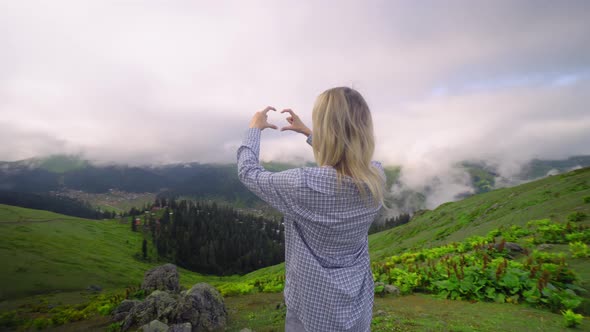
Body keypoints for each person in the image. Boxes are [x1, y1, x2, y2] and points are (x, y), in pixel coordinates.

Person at [237, 87, 385, 331]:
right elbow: (350, 158)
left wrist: (254, 128)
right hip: (356, 306)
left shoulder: (302, 184)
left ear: (326, 130)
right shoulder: (375, 178)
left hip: (311, 309)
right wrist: (308, 133)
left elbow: (249, 173)